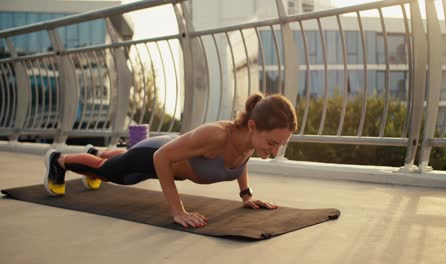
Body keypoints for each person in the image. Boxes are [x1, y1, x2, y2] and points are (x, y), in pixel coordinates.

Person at [44, 93, 298, 228]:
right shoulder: (217, 135)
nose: (274, 152)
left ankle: (97, 153)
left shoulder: (250, 140)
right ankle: (60, 160)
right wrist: (178, 210)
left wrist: (246, 194)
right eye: (273, 144)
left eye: (280, 145)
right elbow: (161, 156)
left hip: (170, 153)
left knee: (114, 164)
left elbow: (239, 162)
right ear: (253, 126)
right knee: (113, 175)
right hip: (155, 154)